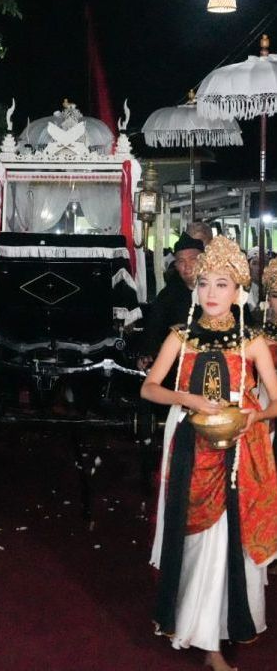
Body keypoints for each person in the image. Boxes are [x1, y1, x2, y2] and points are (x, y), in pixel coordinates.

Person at [141, 235, 277, 671]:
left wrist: (254, 419)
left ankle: (221, 631)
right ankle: (200, 633)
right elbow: (149, 388)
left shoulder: (252, 341)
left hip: (241, 455)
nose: (212, 294)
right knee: (199, 543)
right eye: (204, 284)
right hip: (191, 449)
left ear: (239, 290)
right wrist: (189, 400)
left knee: (229, 544)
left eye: (222, 284)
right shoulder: (181, 337)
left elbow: (276, 400)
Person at [140, 231, 204, 363]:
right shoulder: (168, 295)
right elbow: (153, 330)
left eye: (193, 259)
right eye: (181, 261)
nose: (187, 266)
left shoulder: (220, 292)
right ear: (176, 266)